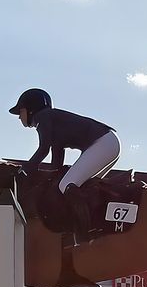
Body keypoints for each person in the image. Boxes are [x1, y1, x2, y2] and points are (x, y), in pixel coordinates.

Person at [9, 88, 120, 226]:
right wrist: (50, 174)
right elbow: (57, 159)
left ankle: (83, 231)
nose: (20, 117)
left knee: (66, 185)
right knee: (85, 187)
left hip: (103, 143)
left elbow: (44, 149)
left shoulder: (42, 118)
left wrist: (25, 170)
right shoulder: (52, 119)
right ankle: (100, 222)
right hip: (108, 142)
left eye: (21, 111)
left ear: (31, 109)